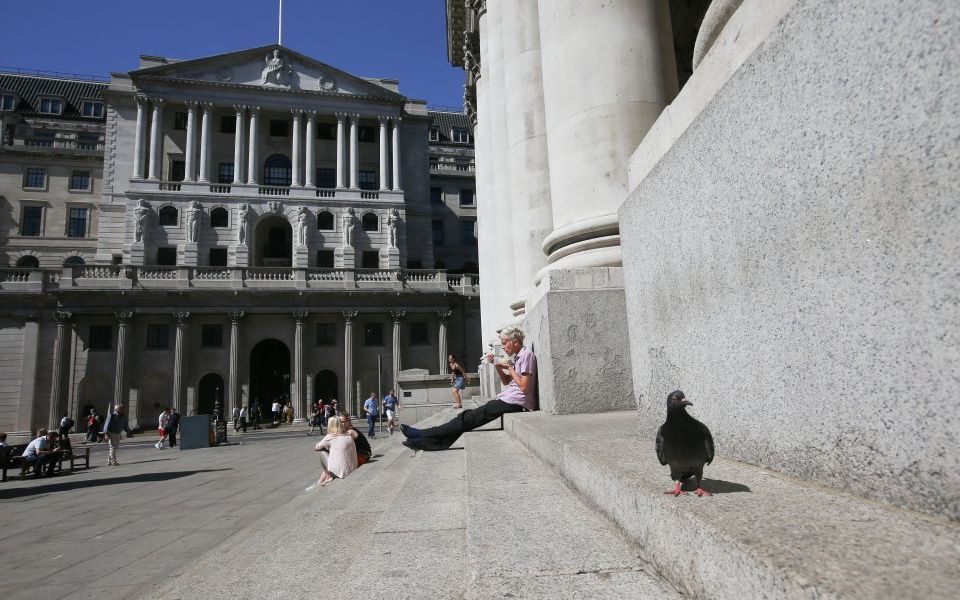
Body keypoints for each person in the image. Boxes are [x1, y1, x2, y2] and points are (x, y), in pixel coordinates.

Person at [402, 326, 537, 451]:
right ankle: (432, 440)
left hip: (516, 402)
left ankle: (424, 435)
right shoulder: (519, 357)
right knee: (466, 417)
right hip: (510, 399)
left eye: (504, 343)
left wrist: (509, 368)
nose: (502, 347)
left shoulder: (526, 355)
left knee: (467, 418)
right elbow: (507, 381)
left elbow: (524, 387)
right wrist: (498, 366)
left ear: (515, 342)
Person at [305, 417, 358, 491]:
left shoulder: (330, 436)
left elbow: (317, 447)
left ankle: (327, 476)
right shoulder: (347, 434)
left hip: (342, 473)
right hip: (353, 469)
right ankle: (319, 481)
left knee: (321, 451)